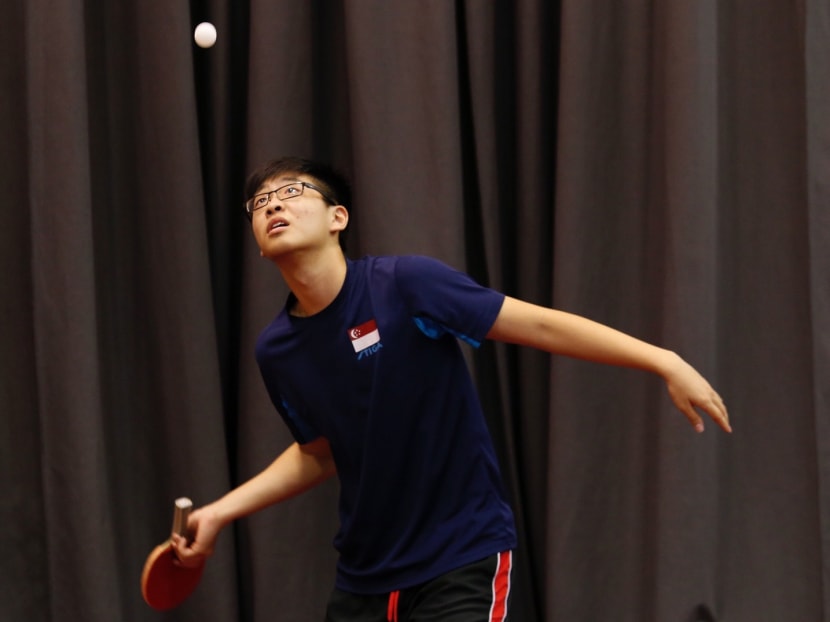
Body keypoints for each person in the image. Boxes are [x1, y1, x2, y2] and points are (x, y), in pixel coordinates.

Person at [171, 156, 731, 621]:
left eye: (292, 191)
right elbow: (319, 453)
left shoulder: (407, 284)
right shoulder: (278, 350)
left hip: (460, 558)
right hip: (364, 577)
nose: (273, 204)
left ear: (337, 216)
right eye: (260, 202)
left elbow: (536, 324)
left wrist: (664, 360)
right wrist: (220, 513)